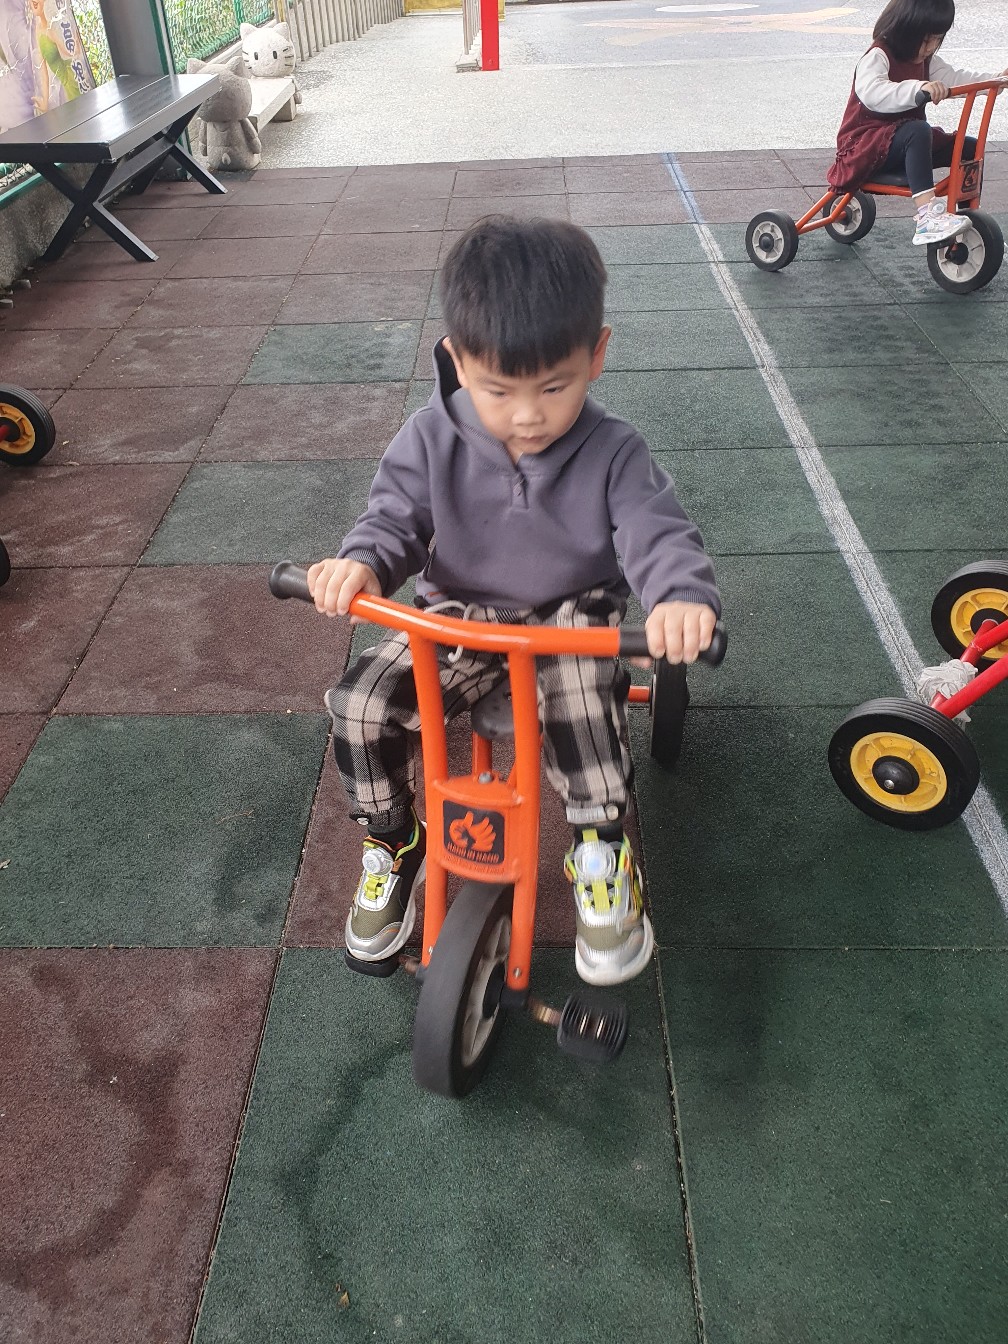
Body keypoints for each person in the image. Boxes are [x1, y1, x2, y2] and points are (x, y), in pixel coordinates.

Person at [308, 216, 720, 988]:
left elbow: (655, 530)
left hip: (571, 618)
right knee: (359, 705)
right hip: (459, 615)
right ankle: (393, 838)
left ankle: (599, 846)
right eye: (499, 391)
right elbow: (393, 519)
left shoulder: (613, 450)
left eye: (554, 387)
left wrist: (678, 597)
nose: (528, 415)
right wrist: (361, 563)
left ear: (596, 355)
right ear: (456, 361)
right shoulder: (429, 439)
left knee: (583, 714)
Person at [827, 0, 1008, 245]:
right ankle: (926, 216)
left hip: (903, 145)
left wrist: (996, 80)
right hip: (863, 148)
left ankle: (967, 215)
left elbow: (955, 78)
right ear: (904, 29)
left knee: (969, 147)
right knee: (917, 130)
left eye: (937, 39)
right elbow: (874, 93)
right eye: (925, 40)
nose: (931, 47)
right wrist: (918, 88)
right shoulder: (878, 56)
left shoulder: (925, 61)